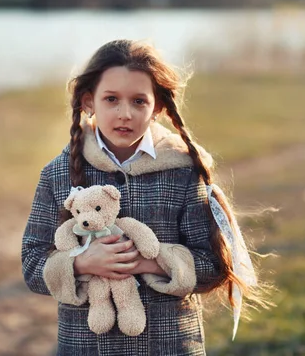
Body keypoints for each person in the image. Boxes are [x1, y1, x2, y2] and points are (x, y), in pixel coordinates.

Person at [21, 39, 266, 355]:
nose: (125, 113)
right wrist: (81, 262)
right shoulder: (57, 173)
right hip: (86, 345)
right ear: (88, 102)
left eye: (139, 101)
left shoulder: (184, 170)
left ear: (158, 106)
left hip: (170, 345)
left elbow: (212, 266)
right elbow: (32, 263)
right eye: (111, 99)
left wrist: (149, 260)